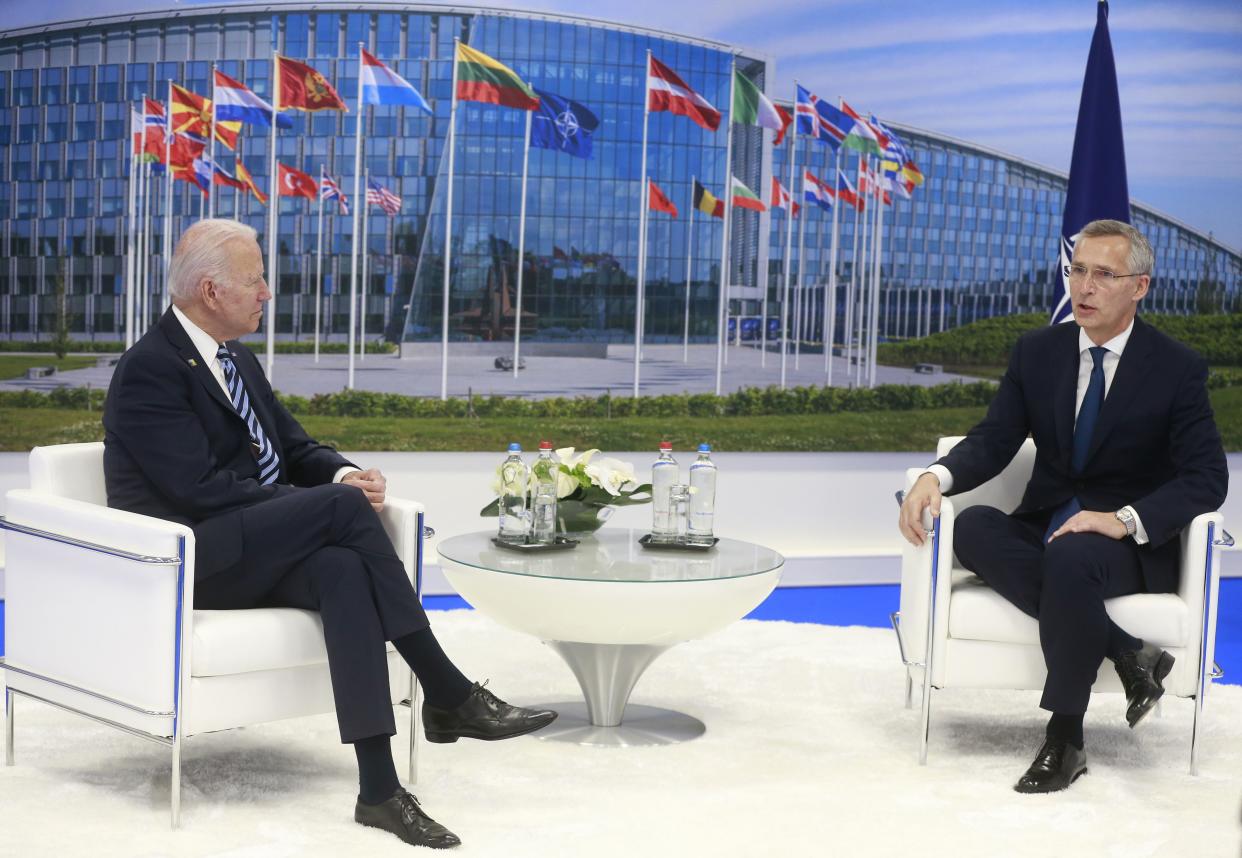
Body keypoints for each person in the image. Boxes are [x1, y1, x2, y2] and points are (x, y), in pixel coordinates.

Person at [103, 218, 557, 849]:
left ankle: (379, 791)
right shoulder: (150, 370)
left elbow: (293, 447)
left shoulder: (236, 358)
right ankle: (447, 690)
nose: (267, 293)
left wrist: (344, 472)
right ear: (212, 291)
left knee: (343, 567)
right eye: (257, 280)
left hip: (250, 544)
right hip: (188, 557)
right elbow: (196, 491)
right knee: (341, 513)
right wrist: (316, 504)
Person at [898, 219, 1227, 794]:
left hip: (1125, 545)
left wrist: (1122, 520)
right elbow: (995, 440)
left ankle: (1066, 735)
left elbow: (1207, 479)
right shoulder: (1038, 353)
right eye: (1077, 270)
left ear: (1139, 286)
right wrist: (936, 476)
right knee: (972, 527)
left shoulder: (1176, 368)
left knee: (1073, 556)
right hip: (1045, 524)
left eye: (1104, 274)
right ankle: (1128, 653)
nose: (1085, 286)